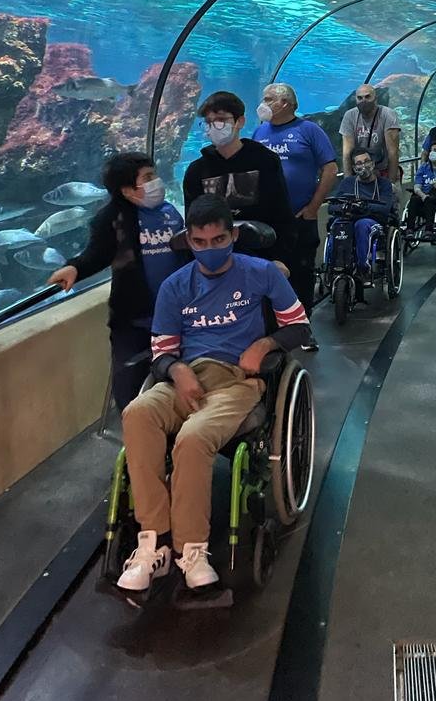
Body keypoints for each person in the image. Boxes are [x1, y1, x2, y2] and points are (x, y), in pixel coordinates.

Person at [117, 194, 311, 594]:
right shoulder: (175, 286)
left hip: (237, 379)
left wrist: (264, 345)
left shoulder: (261, 273)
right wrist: (176, 369)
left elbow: (299, 327)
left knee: (193, 438)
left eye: (219, 240)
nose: (209, 249)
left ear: (233, 235)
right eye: (200, 242)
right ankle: (154, 542)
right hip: (184, 379)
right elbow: (162, 350)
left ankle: (192, 549)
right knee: (137, 414)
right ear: (188, 240)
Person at [47, 152, 187, 410]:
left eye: (154, 174)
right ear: (127, 190)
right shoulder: (113, 219)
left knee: (176, 380)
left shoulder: (169, 212)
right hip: (135, 319)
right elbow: (97, 254)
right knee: (130, 386)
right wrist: (74, 267)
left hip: (176, 315)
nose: (156, 182)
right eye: (147, 177)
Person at [252, 82, 337, 346]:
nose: (264, 104)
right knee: (269, 272)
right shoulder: (259, 132)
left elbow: (330, 168)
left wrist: (313, 207)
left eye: (269, 99)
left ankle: (303, 328)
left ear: (285, 103)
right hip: (267, 221)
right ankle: (271, 329)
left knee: (301, 273)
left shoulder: (309, 130)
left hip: (300, 217)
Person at [183, 91, 296, 267]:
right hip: (216, 259)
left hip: (263, 256)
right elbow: (193, 223)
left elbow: (282, 212)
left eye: (221, 119)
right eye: (208, 122)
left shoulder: (265, 160)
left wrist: (280, 258)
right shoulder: (196, 171)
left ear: (240, 121)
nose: (214, 127)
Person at [329, 148, 395, 278]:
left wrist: (363, 207)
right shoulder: (347, 183)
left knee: (362, 225)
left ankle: (363, 267)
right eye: (359, 163)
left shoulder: (384, 184)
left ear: (373, 164)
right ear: (354, 168)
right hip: (349, 220)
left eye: (366, 161)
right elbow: (332, 207)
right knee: (338, 224)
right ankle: (335, 266)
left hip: (373, 222)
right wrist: (345, 207)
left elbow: (385, 208)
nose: (363, 166)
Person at [339, 84, 401, 186]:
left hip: (383, 169)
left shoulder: (387, 114)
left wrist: (391, 183)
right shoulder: (349, 116)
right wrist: (348, 182)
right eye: (360, 98)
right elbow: (347, 153)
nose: (363, 101)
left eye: (367, 97)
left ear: (375, 99)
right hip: (360, 171)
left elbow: (393, 152)